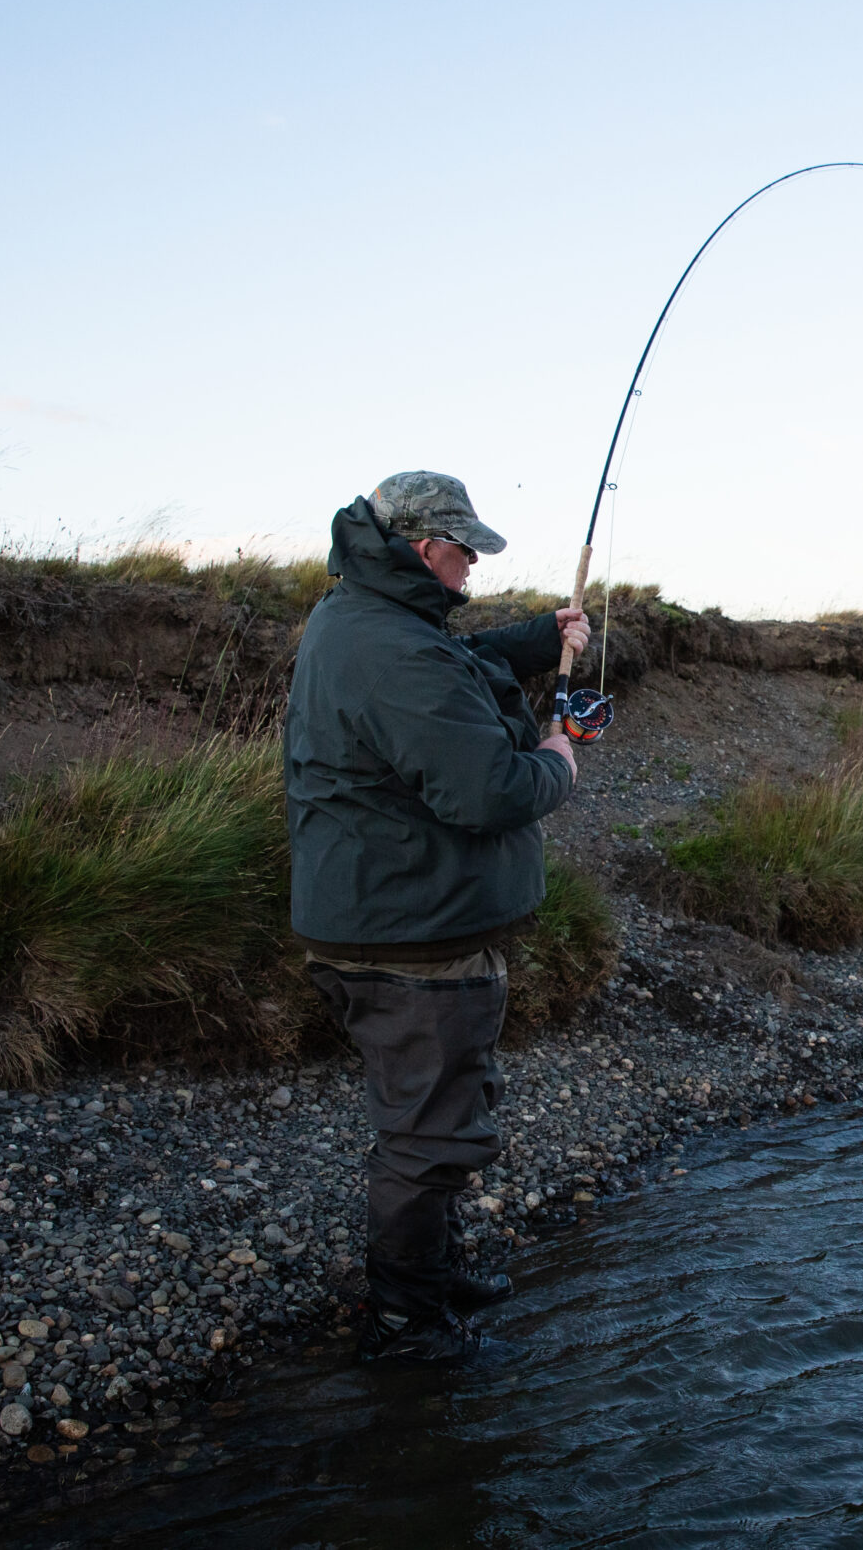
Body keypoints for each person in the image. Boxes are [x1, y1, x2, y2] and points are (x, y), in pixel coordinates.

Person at [284, 469, 590, 1364]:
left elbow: (455, 662)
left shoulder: (363, 614)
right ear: (427, 549)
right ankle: (407, 1323)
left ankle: (432, 1273)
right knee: (427, 1135)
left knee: (444, 1111)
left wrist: (540, 638)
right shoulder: (393, 645)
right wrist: (558, 761)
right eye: (465, 553)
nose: (471, 569)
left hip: (395, 917)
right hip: (408, 937)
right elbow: (489, 790)